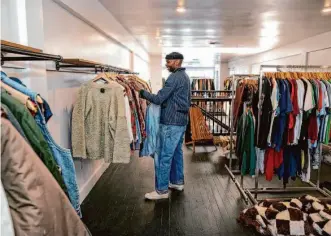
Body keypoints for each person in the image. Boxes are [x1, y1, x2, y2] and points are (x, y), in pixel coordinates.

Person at [137, 52, 191, 200]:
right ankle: (177, 182)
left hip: (171, 123)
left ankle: (161, 191)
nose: (167, 64)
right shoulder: (185, 77)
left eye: (169, 61)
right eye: (166, 61)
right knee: (176, 154)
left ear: (177, 61)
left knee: (163, 156)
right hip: (180, 121)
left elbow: (159, 99)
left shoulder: (173, 78)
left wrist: (142, 93)